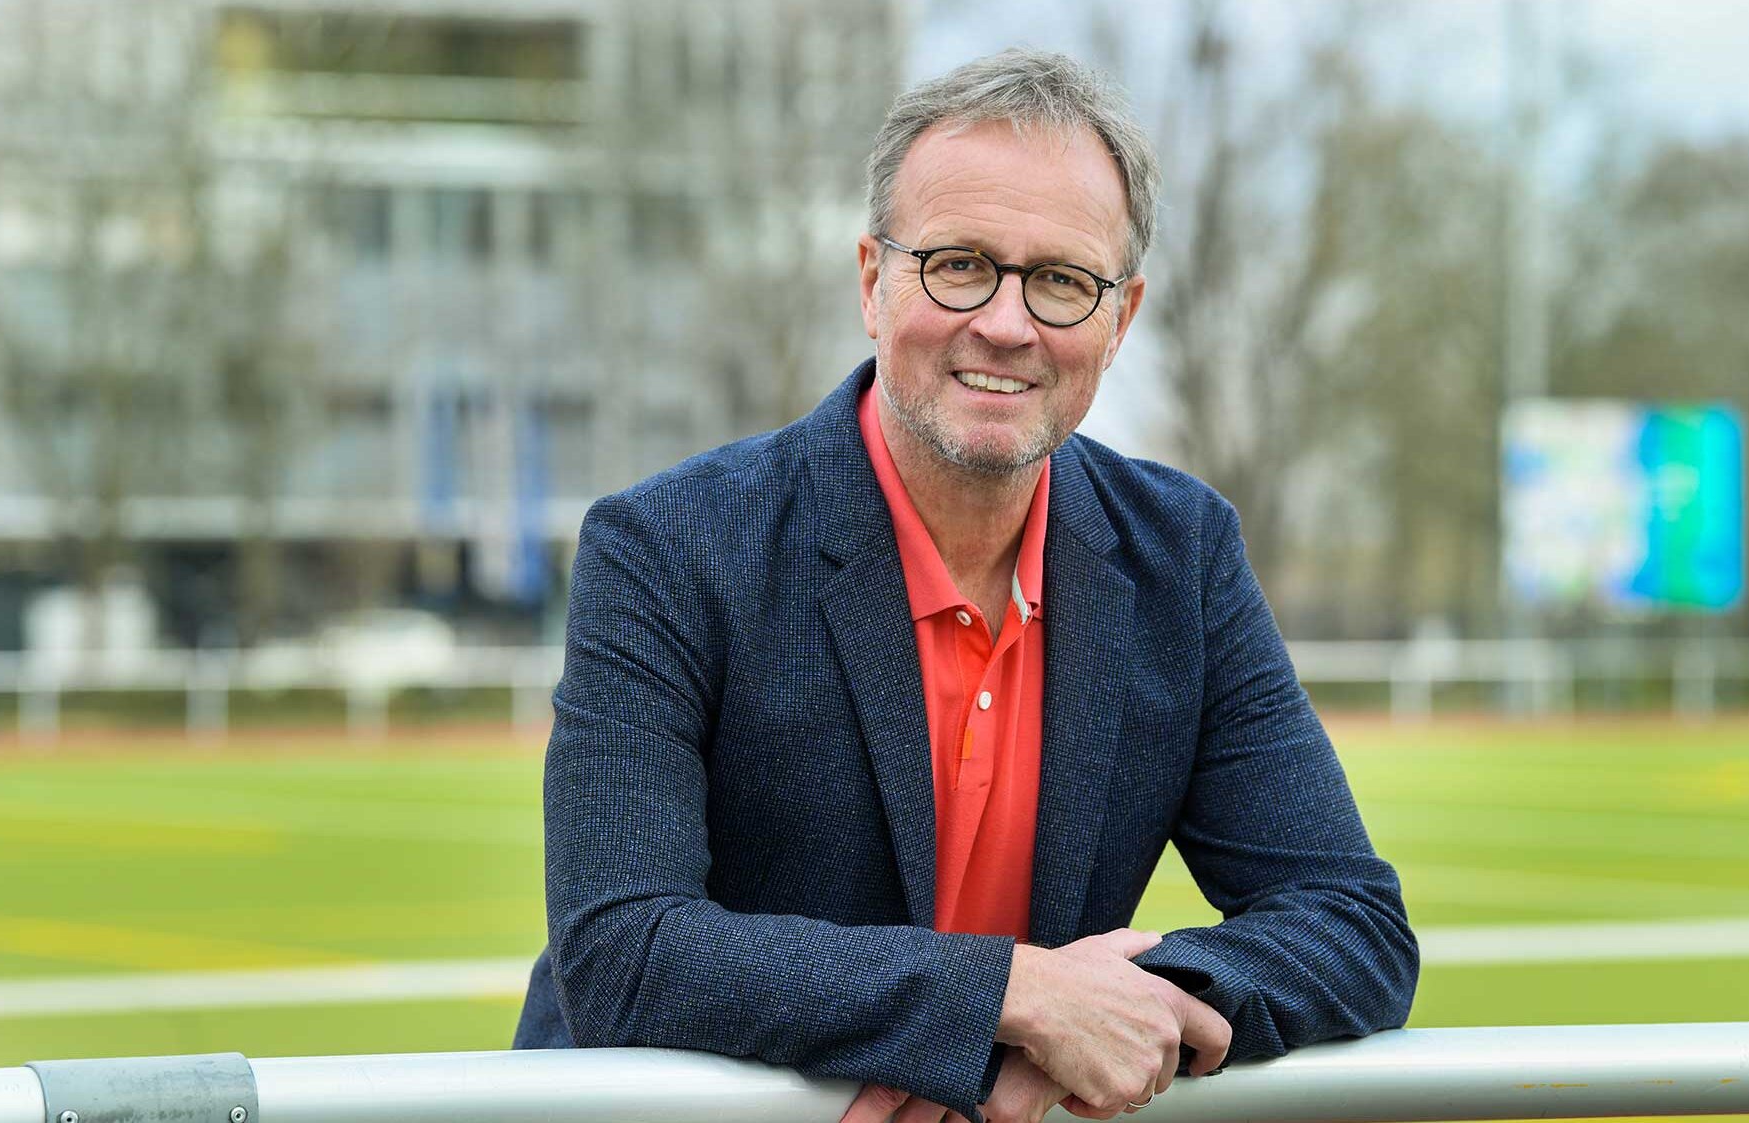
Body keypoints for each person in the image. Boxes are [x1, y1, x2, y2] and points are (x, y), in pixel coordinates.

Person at [512, 48, 1418, 1123]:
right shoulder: (665, 546)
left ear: (1118, 320)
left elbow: (1351, 921)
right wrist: (1009, 999)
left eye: (1058, 281)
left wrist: (1115, 1012)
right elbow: (625, 949)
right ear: (870, 280)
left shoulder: (1182, 554)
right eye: (957, 263)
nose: (1004, 321)